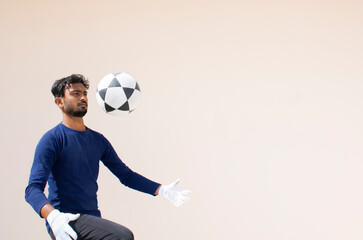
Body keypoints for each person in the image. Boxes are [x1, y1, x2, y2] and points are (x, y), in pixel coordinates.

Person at [25, 74, 191, 240]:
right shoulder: (52, 140)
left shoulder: (98, 140)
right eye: (76, 93)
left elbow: (126, 176)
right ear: (60, 102)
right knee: (122, 236)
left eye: (84, 93)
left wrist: (161, 190)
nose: (82, 97)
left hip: (91, 219)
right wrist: (53, 216)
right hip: (65, 221)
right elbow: (32, 189)